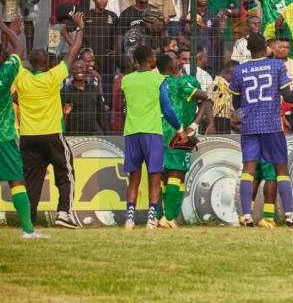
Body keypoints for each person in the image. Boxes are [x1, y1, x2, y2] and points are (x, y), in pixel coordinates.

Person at [16, 15, 84, 229]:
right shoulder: (53, 77)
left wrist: (11, 29)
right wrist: (80, 28)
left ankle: (30, 218)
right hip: (52, 134)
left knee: (31, 180)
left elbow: (16, 53)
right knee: (65, 173)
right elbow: (73, 54)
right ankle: (63, 213)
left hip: (28, 137)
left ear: (29, 63)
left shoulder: (22, 78)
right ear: (47, 64)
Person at [229, 33, 293, 227]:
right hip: (272, 126)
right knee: (281, 169)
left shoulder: (239, 71)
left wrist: (245, 115)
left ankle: (246, 215)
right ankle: (289, 215)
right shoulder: (277, 66)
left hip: (250, 127)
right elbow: (288, 96)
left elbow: (236, 103)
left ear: (249, 49)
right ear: (266, 47)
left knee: (248, 170)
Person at [120, 45, 185, 230]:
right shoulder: (159, 80)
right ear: (150, 61)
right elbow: (167, 109)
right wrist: (179, 128)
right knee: (154, 177)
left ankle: (129, 219)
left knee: (133, 178)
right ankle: (151, 219)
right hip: (152, 133)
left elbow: (125, 106)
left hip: (132, 132)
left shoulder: (126, 80)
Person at [0, 4, 40, 238]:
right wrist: (0, 24)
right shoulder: (4, 72)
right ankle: (28, 230)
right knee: (16, 181)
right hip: (3, 137)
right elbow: (19, 47)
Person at [158, 52, 212, 229]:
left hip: (158, 131)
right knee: (177, 173)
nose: (179, 62)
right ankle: (169, 216)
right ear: (171, 66)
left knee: (163, 175)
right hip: (178, 132)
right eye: (175, 60)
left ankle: (160, 215)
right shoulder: (181, 82)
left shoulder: (158, 82)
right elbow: (205, 96)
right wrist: (195, 125)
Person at [61, 59, 106, 135]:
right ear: (72, 71)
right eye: (76, 68)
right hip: (72, 137)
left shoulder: (94, 89)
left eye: (82, 67)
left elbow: (101, 114)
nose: (79, 71)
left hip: (92, 136)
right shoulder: (65, 92)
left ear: (86, 70)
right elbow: (60, 116)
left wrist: (107, 134)